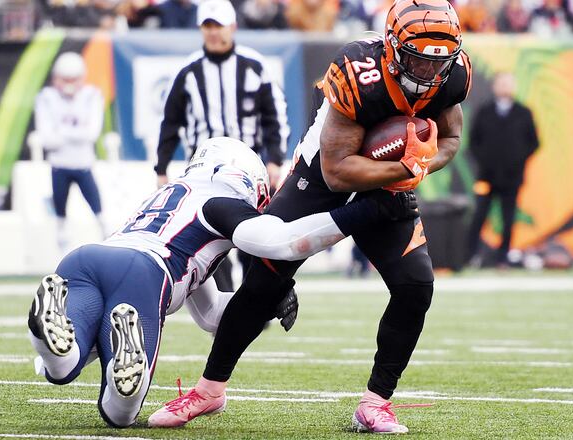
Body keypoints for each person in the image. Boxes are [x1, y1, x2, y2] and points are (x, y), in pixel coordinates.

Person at [147, 0, 471, 433]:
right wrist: (406, 166)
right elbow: (338, 172)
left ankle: (375, 402)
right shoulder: (360, 73)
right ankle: (209, 391)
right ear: (393, 48)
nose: (429, 71)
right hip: (320, 175)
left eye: (438, 62)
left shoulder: (452, 75)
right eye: (418, 59)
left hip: (390, 180)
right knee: (264, 279)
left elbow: (450, 138)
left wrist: (421, 163)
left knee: (415, 285)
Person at [28, 137, 417, 428]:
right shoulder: (221, 204)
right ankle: (120, 351)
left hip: (85, 259)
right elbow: (285, 243)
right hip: (143, 274)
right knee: (120, 414)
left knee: (61, 367)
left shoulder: (168, 196)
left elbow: (212, 314)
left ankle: (49, 335)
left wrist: (264, 304)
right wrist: (363, 212)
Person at [155, 0, 289, 290]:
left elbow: (274, 115)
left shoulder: (254, 66)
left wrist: (276, 159)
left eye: (219, 26)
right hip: (204, 170)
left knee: (253, 240)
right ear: (201, 29)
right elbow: (170, 122)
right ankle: (226, 303)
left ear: (233, 27)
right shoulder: (188, 71)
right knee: (209, 242)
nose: (214, 32)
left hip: (249, 169)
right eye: (208, 26)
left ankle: (253, 301)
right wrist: (161, 168)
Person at [34, 51, 106, 251]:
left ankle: (109, 242)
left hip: (83, 163)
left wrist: (61, 131)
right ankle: (61, 251)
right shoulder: (47, 97)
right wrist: (76, 132)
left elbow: (92, 133)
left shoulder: (91, 95)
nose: (69, 85)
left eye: (73, 79)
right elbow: (47, 139)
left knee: (100, 214)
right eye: (64, 79)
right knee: (60, 217)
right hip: (59, 164)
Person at [466, 72, 539, 267]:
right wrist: (485, 161)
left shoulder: (523, 113)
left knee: (508, 217)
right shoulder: (485, 111)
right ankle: (470, 255)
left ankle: (502, 257)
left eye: (508, 83)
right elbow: (473, 142)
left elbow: (534, 143)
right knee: (479, 214)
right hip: (486, 177)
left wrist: (517, 160)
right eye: (501, 83)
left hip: (512, 177)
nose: (504, 87)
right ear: (494, 86)